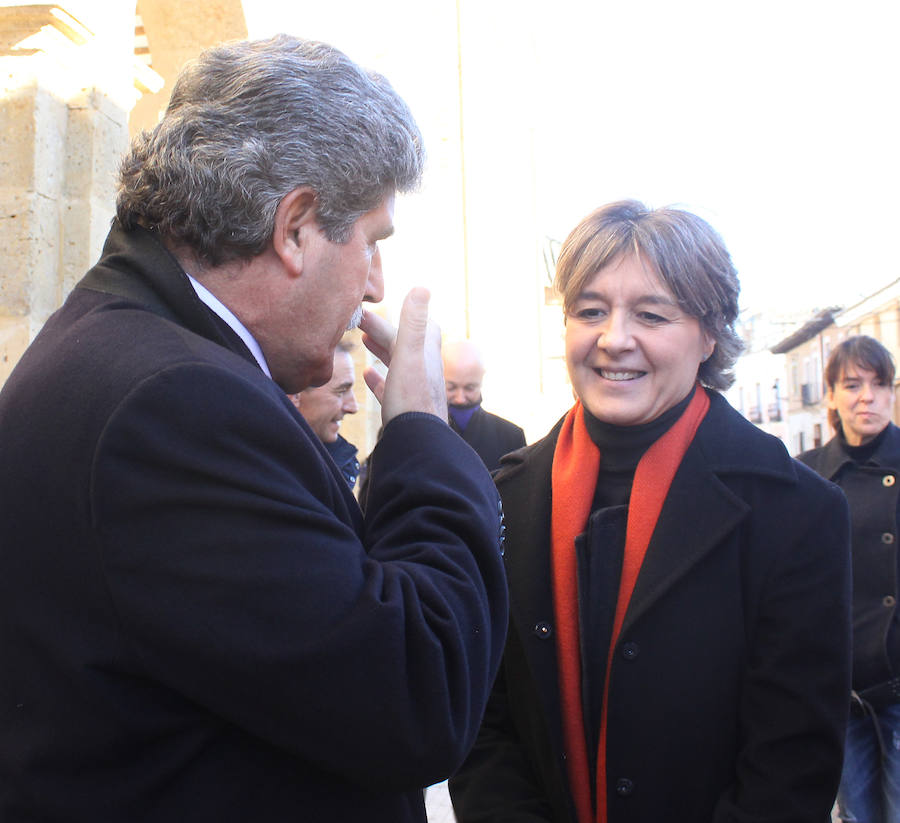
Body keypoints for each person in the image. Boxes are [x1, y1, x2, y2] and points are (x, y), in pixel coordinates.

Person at [0, 36, 508, 823]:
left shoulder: (137, 351)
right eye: (372, 242)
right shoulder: (177, 405)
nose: (376, 283)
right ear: (295, 226)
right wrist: (423, 434)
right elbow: (421, 690)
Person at [449, 200, 852, 823]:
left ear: (709, 334)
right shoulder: (506, 497)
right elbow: (484, 723)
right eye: (590, 311)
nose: (614, 339)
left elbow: (791, 764)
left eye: (651, 314)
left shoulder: (795, 511)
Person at [798, 335, 900, 823]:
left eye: (880, 385)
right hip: (841, 691)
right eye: (853, 385)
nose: (868, 398)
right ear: (831, 396)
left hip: (899, 680)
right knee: (856, 815)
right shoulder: (807, 476)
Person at [443, 340, 527, 472]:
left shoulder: (511, 437)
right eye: (451, 388)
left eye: (469, 388)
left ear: (481, 381)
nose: (460, 398)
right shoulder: (423, 436)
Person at [289, 339, 361, 489]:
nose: (353, 407)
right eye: (341, 391)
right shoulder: (265, 473)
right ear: (295, 393)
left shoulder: (341, 465)